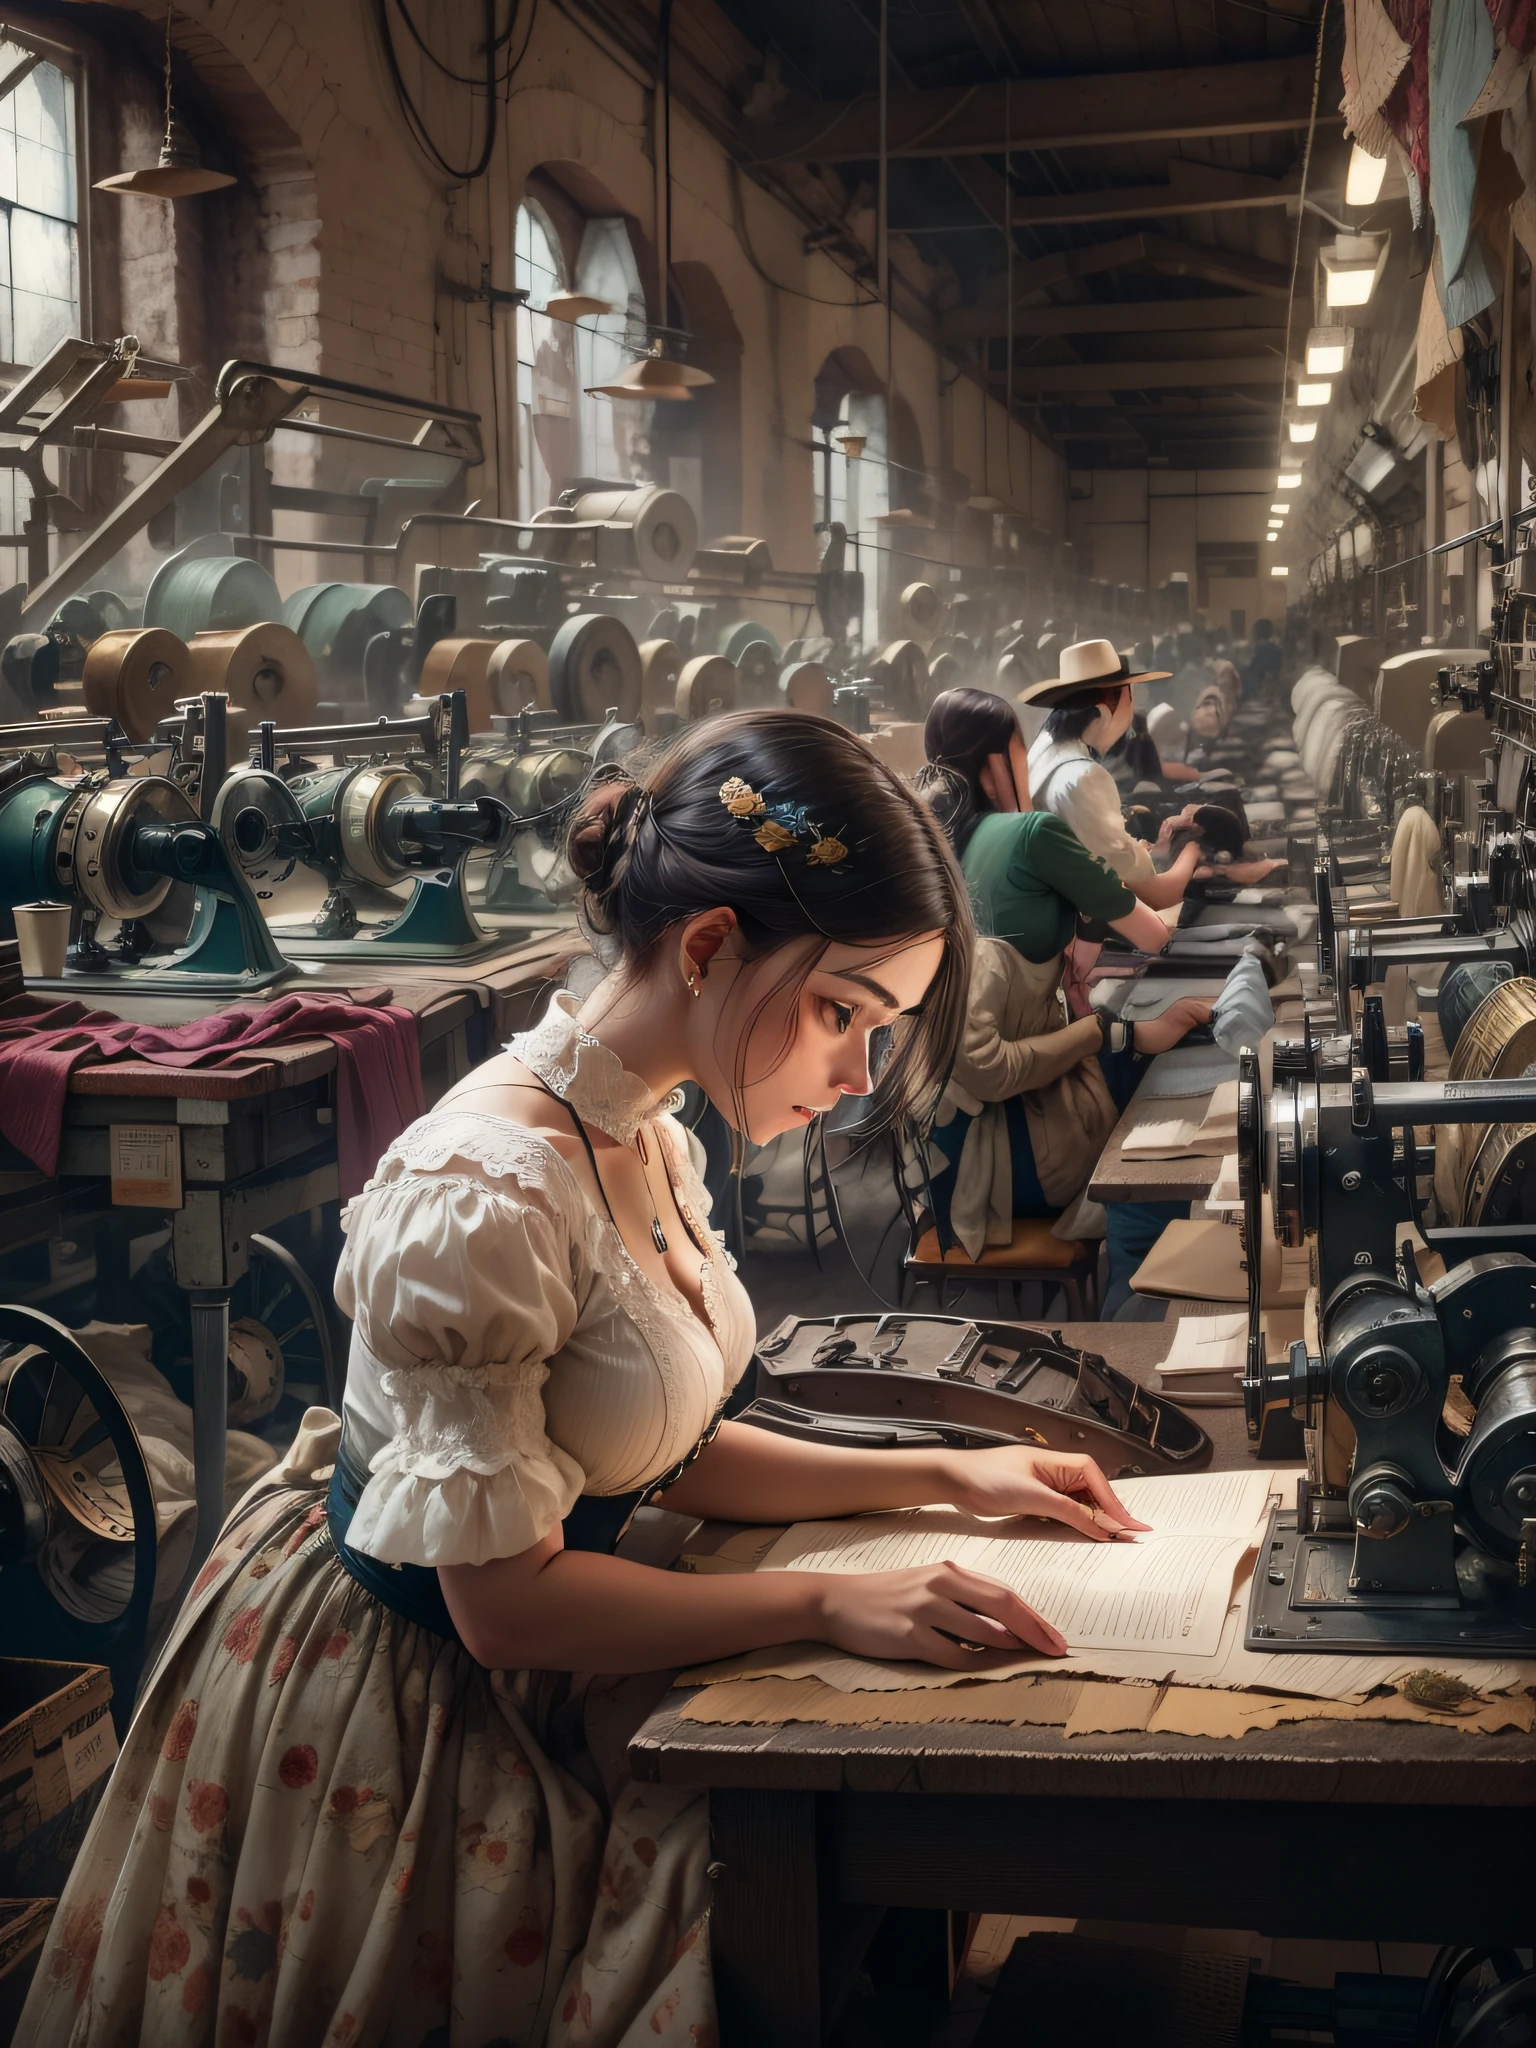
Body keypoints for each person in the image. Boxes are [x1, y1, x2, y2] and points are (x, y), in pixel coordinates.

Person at [24, 711, 1149, 2048]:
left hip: (536, 1629)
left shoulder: (641, 1131)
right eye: (844, 1014)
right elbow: (501, 1601)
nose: (855, 1080)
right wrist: (831, 1605)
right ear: (712, 947)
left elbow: (653, 1448)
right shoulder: (483, 1192)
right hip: (423, 1705)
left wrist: (951, 1475)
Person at [917, 690, 1210, 1297]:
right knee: (1152, 1142)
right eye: (1020, 751)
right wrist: (1101, 1031)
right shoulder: (1030, 833)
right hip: (1003, 1148)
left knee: (1141, 1062)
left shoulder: (940, 842)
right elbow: (1153, 934)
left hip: (946, 1145)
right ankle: (1144, 1319)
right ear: (1000, 762)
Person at [1020, 639, 1204, 911]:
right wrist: (1195, 846)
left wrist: (1150, 850)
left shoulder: (1045, 747)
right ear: (1108, 707)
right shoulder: (1084, 777)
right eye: (1129, 696)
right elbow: (1151, 892)